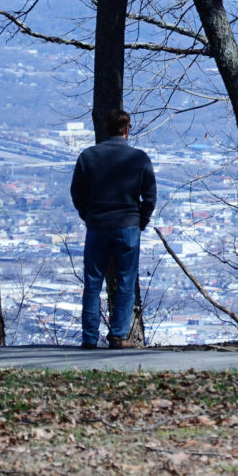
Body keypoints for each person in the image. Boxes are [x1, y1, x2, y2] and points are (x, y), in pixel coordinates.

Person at [70, 109, 156, 349]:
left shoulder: (88, 157)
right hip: (128, 226)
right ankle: (117, 335)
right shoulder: (139, 158)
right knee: (126, 281)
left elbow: (77, 193)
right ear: (127, 129)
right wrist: (141, 221)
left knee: (92, 282)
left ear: (106, 129)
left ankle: (89, 337)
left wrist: (88, 215)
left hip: (98, 225)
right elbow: (150, 197)